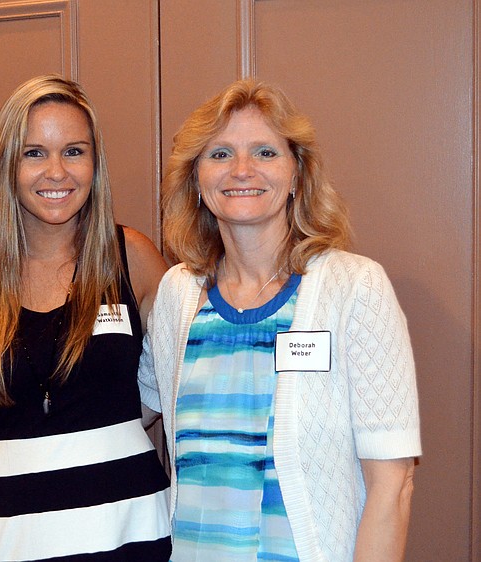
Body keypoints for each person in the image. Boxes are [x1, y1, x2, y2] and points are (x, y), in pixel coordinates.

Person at [139, 79, 422, 562]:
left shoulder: (354, 289)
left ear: (297, 175)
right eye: (220, 154)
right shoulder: (177, 295)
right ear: (196, 178)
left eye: (266, 152)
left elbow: (393, 487)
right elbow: (130, 413)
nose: (242, 170)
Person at [0, 74, 171, 561]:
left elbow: (177, 386)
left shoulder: (134, 258)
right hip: (13, 542)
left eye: (74, 151)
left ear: (95, 163)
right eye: (33, 153)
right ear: (6, 165)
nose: (56, 172)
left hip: (136, 534)